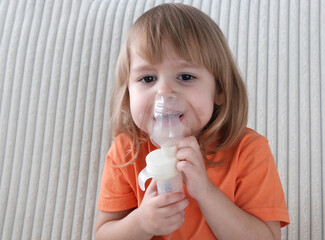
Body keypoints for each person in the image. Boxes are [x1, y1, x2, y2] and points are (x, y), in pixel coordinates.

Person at [95, 3, 290, 240]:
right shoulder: (126, 152)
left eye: (186, 76)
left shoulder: (248, 151)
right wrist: (142, 223)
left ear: (219, 90)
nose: (164, 92)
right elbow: (104, 235)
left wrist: (206, 192)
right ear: (128, 93)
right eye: (147, 78)